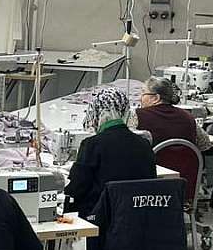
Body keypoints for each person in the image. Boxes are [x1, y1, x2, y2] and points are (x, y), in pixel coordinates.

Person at [63, 86, 156, 218]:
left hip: (99, 217)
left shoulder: (92, 144)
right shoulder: (144, 144)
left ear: (96, 112)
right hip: (137, 217)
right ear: (125, 111)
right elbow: (150, 185)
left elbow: (76, 189)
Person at [137, 76, 211, 151]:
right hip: (183, 158)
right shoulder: (188, 116)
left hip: (152, 159)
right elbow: (205, 144)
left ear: (156, 98)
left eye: (143, 93)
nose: (140, 98)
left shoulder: (137, 116)